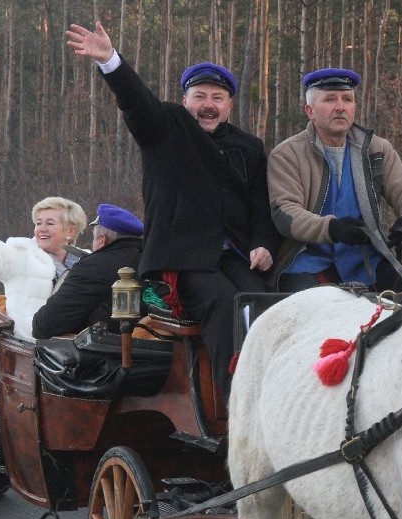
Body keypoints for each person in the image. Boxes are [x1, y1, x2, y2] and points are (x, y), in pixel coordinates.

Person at [66, 21, 279, 403]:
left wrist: (263, 242)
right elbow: (137, 103)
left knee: (259, 300)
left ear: (229, 105)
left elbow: (260, 204)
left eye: (218, 97)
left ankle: (276, 389)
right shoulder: (165, 129)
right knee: (222, 304)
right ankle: (236, 403)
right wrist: (111, 62)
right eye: (200, 96)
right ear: (185, 101)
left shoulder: (248, 146)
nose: (208, 105)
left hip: (236, 253)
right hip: (184, 259)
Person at [268, 67, 402, 293]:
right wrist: (333, 228)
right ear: (310, 111)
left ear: (354, 108)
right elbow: (285, 213)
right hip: (308, 265)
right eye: (330, 99)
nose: (340, 107)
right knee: (314, 316)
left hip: (367, 264)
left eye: (347, 99)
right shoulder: (287, 154)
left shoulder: (377, 149)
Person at [0, 161, 87, 340]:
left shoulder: (87, 262)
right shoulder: (21, 255)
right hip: (30, 351)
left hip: (77, 352)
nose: (42, 229)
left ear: (71, 231)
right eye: (38, 223)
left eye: (50, 223)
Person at [32, 203, 144, 339]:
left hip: (105, 355)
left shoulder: (93, 268)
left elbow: (44, 326)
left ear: (102, 240)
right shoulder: (150, 263)